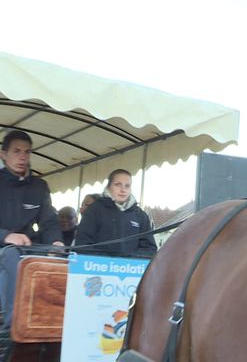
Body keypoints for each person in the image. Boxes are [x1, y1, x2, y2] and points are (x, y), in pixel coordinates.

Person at [0, 130, 64, 360]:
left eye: (27, 152)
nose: (23, 157)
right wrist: (6, 235)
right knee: (10, 256)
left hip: (26, 250)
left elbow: (49, 222)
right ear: (3, 154)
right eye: (16, 151)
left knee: (60, 260)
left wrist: (56, 242)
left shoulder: (39, 187)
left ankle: (53, 329)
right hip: (5, 250)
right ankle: (12, 331)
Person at [76, 169, 157, 256]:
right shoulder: (94, 210)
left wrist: (130, 259)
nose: (123, 190)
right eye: (118, 185)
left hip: (130, 268)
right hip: (97, 266)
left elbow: (149, 249)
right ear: (109, 186)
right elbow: (82, 244)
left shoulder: (140, 215)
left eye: (127, 186)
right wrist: (105, 261)